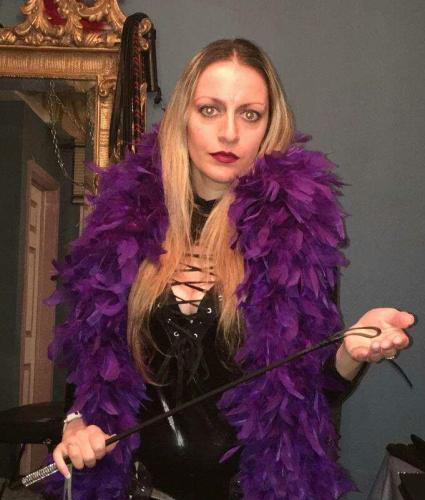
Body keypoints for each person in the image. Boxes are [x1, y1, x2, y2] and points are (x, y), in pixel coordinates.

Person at [49, 39, 414, 499]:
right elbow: (89, 355)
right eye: (210, 109)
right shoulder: (121, 221)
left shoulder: (296, 233)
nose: (228, 133)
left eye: (249, 114)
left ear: (269, 127)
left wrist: (350, 351)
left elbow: (308, 393)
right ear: (183, 116)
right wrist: (76, 422)